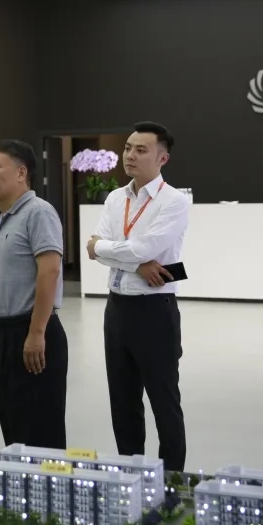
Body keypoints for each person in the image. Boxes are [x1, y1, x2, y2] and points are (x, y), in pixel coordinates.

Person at [87, 121, 189, 471]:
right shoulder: (116, 198)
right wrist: (137, 264)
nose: (130, 155)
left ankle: (171, 480)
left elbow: (141, 247)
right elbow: (94, 250)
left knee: (164, 401)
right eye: (128, 148)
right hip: (116, 309)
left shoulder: (174, 201)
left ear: (163, 158)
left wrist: (112, 250)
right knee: (123, 401)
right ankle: (131, 474)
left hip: (155, 311)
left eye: (140, 150)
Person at [0, 139, 68, 448]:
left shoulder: (38, 212)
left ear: (21, 173)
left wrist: (36, 333)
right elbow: (8, 271)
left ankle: (44, 481)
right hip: (3, 335)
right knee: (14, 427)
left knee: (39, 431)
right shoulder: (6, 219)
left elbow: (50, 270)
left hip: (30, 332)